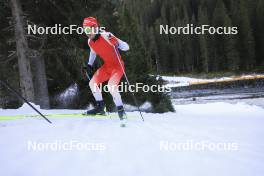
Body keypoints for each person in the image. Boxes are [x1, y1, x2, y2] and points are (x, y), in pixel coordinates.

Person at [82, 17, 129, 123]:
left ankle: (121, 110)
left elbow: (127, 47)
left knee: (111, 86)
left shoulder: (107, 36)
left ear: (95, 28)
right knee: (92, 83)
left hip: (117, 67)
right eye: (85, 31)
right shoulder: (90, 41)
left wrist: (116, 42)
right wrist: (89, 64)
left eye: (89, 30)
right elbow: (93, 51)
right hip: (107, 67)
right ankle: (101, 107)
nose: (87, 33)